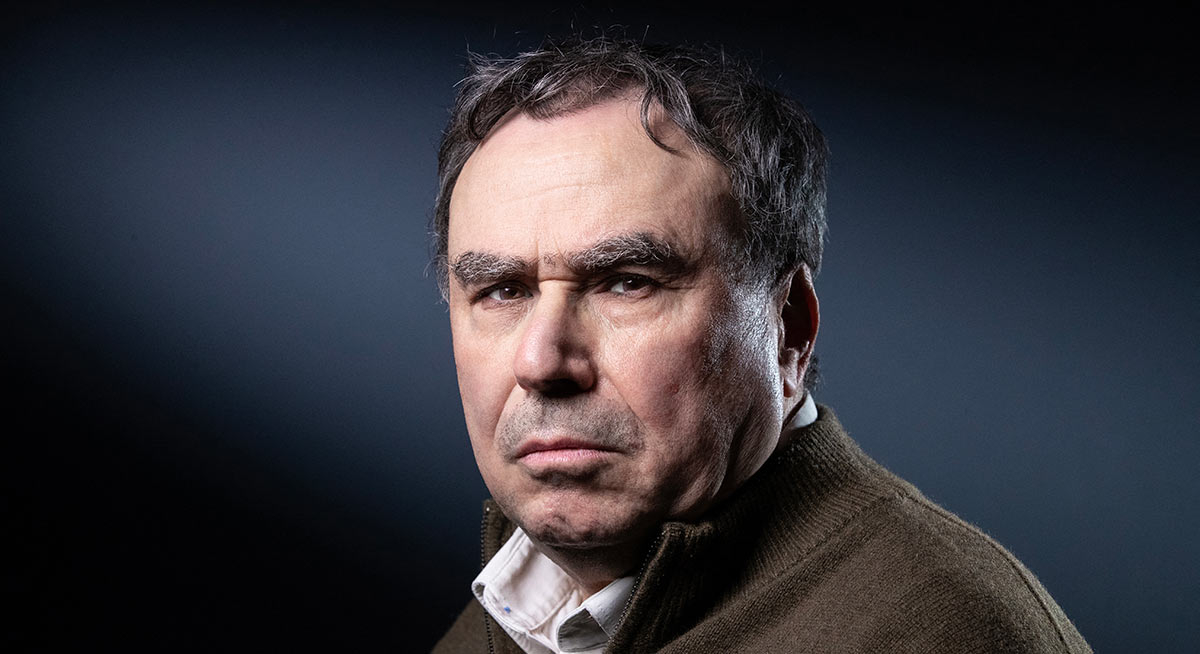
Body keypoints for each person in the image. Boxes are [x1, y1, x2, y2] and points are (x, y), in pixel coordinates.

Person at [430, 35, 1090, 654]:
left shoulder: (943, 630)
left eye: (628, 283)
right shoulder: (497, 625)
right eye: (502, 291)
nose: (541, 362)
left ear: (789, 329)